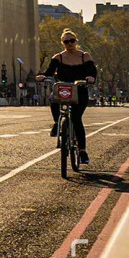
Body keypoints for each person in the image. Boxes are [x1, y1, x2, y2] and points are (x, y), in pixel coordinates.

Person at [37, 29, 97, 164]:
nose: (69, 44)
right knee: (53, 98)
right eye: (66, 41)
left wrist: (91, 78)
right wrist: (43, 76)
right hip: (63, 89)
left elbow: (92, 71)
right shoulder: (58, 57)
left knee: (76, 118)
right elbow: (49, 72)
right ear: (62, 43)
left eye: (72, 41)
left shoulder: (84, 56)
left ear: (76, 41)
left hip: (80, 90)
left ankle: (82, 151)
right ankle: (57, 122)